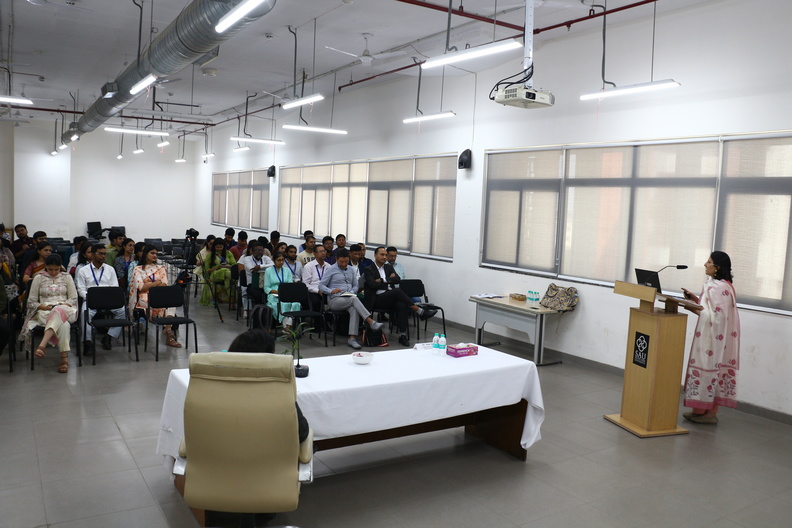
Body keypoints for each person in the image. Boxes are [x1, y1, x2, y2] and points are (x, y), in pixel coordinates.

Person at [681, 251, 740, 425]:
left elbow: (717, 317)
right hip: (713, 337)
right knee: (710, 369)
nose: (705, 265)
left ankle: (708, 413)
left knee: (707, 368)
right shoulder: (720, 286)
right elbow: (711, 309)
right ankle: (701, 411)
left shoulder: (719, 288)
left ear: (717, 267)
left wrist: (692, 308)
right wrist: (695, 300)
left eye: (709, 262)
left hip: (713, 339)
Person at [227, 328, 310, 442]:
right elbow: (302, 432)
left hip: (223, 451)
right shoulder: (278, 391)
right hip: (272, 452)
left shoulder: (214, 388)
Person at [363, 247, 436, 347]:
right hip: (376, 299)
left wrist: (382, 280)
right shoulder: (368, 269)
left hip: (389, 297)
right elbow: (372, 285)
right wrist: (388, 282)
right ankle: (420, 311)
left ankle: (402, 335)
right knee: (396, 291)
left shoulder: (388, 267)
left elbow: (397, 279)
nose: (384, 257)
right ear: (375, 255)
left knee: (401, 304)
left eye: (385, 255)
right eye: (382, 254)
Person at [20, 254, 78, 373]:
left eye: (56, 269)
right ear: (45, 266)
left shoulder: (67, 277)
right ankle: (64, 360)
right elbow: (31, 302)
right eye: (50, 269)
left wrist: (62, 305)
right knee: (64, 325)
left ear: (60, 267)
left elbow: (73, 299)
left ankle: (42, 345)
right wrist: (44, 307)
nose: (53, 272)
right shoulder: (38, 278)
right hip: (45, 310)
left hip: (66, 309)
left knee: (59, 310)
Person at [319, 248, 383, 350]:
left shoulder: (350, 269)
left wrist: (352, 292)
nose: (344, 264)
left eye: (346, 261)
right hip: (335, 300)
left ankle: (352, 338)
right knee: (354, 300)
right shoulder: (330, 269)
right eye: (341, 262)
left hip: (348, 297)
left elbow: (356, 285)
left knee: (354, 308)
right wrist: (331, 291)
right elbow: (321, 286)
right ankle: (370, 321)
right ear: (336, 259)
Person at [129, 245, 181, 348]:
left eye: (156, 254)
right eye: (152, 253)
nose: (155, 255)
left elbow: (164, 285)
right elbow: (141, 287)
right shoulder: (138, 269)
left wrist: (150, 285)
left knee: (171, 304)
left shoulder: (160, 268)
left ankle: (168, 330)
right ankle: (169, 335)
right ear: (145, 254)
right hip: (144, 297)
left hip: (159, 295)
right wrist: (156, 283)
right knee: (156, 303)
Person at [76, 244, 124, 352]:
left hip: (108, 300)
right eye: (100, 254)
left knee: (122, 311)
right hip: (91, 300)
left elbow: (114, 287)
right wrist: (92, 297)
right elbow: (81, 290)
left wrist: (106, 297)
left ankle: (108, 336)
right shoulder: (83, 270)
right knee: (84, 313)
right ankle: (88, 342)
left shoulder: (110, 269)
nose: (103, 256)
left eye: (104, 254)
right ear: (92, 254)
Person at [264, 251, 301, 327]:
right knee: (283, 304)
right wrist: (278, 292)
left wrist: (285, 293)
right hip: (274, 294)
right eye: (278, 260)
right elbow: (266, 287)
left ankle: (288, 325)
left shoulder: (287, 270)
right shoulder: (268, 271)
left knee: (296, 304)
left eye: (282, 260)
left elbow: (290, 285)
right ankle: (286, 327)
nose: (281, 262)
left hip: (286, 293)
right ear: (274, 260)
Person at [238, 241, 273, 315]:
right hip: (252, 285)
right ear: (253, 251)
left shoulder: (266, 258)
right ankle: (258, 314)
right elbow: (252, 269)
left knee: (270, 294)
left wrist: (260, 267)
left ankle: (266, 313)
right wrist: (265, 269)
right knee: (259, 295)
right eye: (257, 250)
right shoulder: (247, 259)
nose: (259, 252)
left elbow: (272, 266)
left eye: (261, 250)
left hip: (265, 284)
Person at [200, 238, 237, 305]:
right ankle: (232, 299)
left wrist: (227, 266)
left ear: (223, 247)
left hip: (228, 272)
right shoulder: (210, 255)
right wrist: (217, 268)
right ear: (214, 247)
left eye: (221, 247)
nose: (219, 249)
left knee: (228, 279)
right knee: (229, 275)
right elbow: (207, 270)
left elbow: (234, 265)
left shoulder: (228, 253)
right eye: (217, 247)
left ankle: (231, 299)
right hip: (215, 274)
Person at [302, 245, 331, 312]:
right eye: (320, 251)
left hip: (326, 291)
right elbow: (305, 284)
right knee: (316, 302)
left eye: (324, 251)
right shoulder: (309, 266)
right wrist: (317, 291)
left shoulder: (329, 266)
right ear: (314, 253)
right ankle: (316, 318)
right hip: (313, 292)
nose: (323, 253)